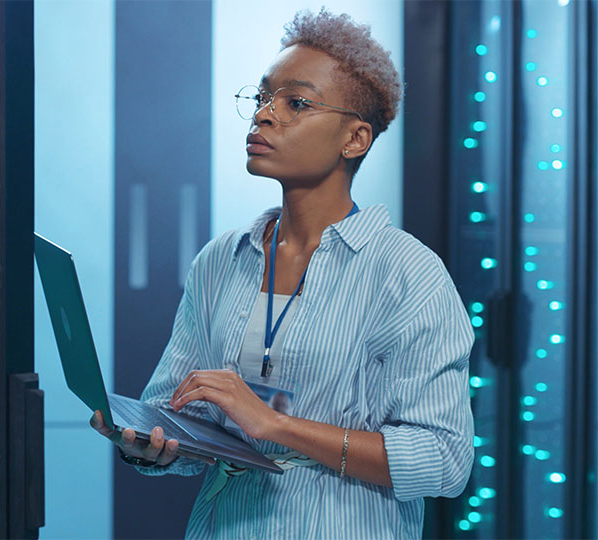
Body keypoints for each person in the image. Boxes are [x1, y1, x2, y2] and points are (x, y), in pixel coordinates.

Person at [91, 8, 474, 539]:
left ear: (355, 139)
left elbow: (443, 460)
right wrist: (150, 445)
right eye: (263, 98)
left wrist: (277, 426)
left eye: (296, 103)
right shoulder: (220, 259)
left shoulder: (407, 275)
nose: (265, 115)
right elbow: (175, 412)